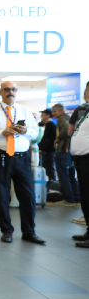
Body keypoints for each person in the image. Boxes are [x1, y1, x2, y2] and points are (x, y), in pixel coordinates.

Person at [0, 82, 44, 243]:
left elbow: (35, 133)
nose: (10, 92)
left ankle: (29, 231)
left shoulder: (24, 110)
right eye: (6, 89)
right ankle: (6, 230)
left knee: (28, 196)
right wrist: (2, 132)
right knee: (2, 196)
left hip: (22, 158)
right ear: (0, 92)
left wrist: (25, 131)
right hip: (1, 157)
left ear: (16, 92)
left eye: (13, 89)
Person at [70, 82, 89, 244]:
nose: (86, 94)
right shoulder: (86, 111)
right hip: (81, 160)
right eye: (86, 91)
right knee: (85, 195)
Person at [53, 103, 80, 207]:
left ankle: (68, 199)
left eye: (55, 111)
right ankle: (76, 198)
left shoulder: (61, 119)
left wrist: (58, 138)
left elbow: (65, 129)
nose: (53, 113)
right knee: (71, 175)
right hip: (70, 152)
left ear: (61, 111)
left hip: (63, 151)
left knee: (63, 175)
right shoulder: (70, 118)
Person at [38, 109, 57, 181]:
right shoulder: (47, 125)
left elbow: (50, 139)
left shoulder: (51, 125)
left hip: (49, 151)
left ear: (48, 115)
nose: (41, 116)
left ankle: (53, 185)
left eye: (43, 114)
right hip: (46, 151)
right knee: (46, 168)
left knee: (50, 169)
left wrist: (44, 149)